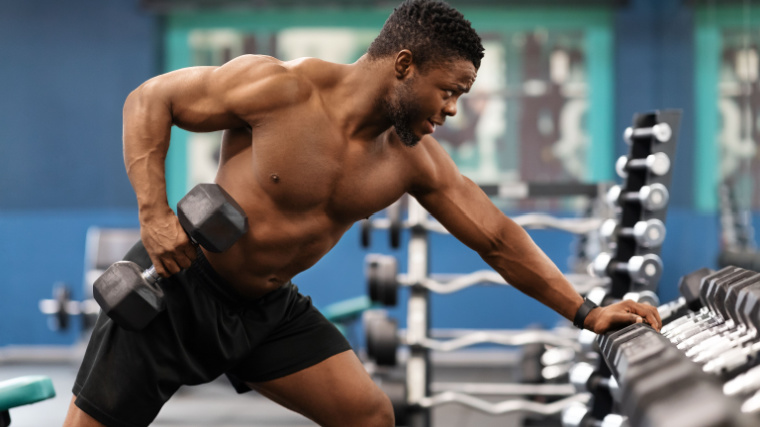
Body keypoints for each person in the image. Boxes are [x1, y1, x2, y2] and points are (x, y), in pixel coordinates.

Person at [64, 1, 661, 426]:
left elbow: (497, 237)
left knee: (369, 415)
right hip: (176, 286)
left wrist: (585, 312)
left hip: (266, 310)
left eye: (462, 96)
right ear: (404, 65)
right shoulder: (280, 90)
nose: (452, 110)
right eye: (448, 90)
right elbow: (151, 99)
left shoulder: (413, 162)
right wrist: (154, 216)